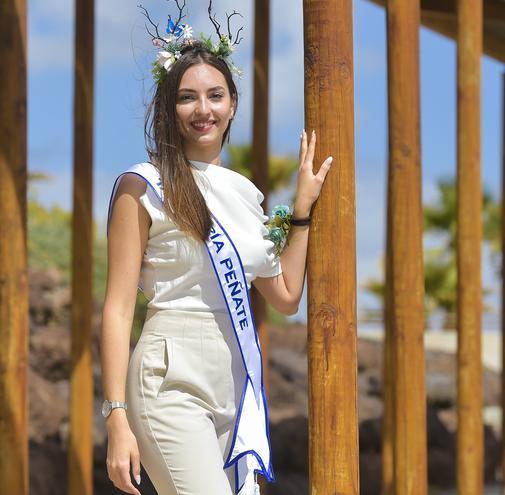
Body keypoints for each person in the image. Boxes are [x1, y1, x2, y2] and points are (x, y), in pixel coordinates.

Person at [99, 7, 333, 495]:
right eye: (187, 98)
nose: (202, 109)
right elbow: (119, 310)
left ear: (232, 104)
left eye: (214, 95)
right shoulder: (142, 187)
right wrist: (115, 416)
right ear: (170, 108)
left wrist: (303, 209)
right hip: (168, 378)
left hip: (232, 381)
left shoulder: (246, 196)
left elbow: (287, 296)